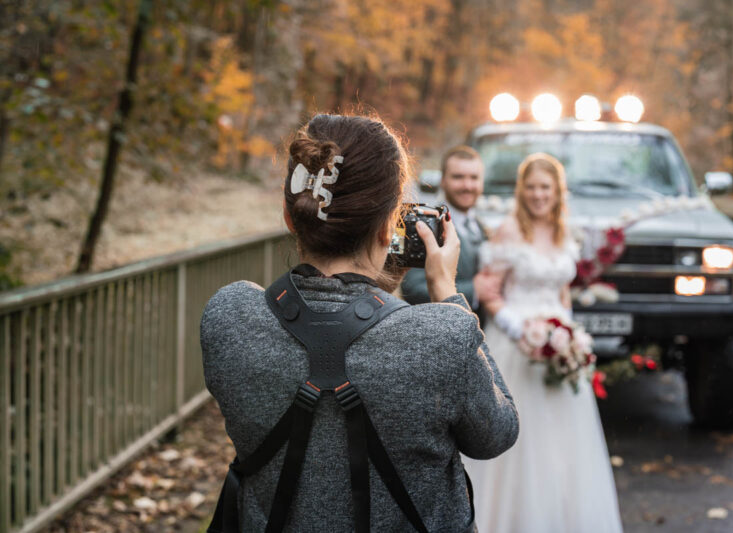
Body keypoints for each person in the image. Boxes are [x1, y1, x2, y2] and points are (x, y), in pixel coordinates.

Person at [200, 114, 518, 532]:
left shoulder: (229, 317)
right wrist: (449, 295)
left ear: (290, 214)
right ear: (390, 224)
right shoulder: (443, 336)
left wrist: (381, 284)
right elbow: (497, 433)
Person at [464, 153, 623, 533]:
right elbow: (488, 290)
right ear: (522, 191)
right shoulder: (508, 231)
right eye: (532, 187)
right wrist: (519, 329)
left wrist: (571, 337)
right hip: (515, 343)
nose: (538, 195)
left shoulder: (565, 232)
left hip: (562, 347)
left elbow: (562, 292)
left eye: (545, 188)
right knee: (520, 437)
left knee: (566, 440)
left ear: (557, 192)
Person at [402, 146, 488, 323]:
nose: (467, 185)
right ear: (442, 180)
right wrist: (474, 290)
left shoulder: (480, 225)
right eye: (458, 177)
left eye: (474, 178)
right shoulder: (427, 224)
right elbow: (413, 289)